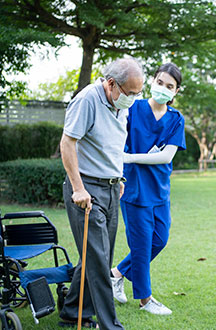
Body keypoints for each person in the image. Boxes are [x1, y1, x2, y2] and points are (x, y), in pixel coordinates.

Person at [59, 57, 144, 329]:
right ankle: (111, 326)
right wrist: (78, 188)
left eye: (137, 93)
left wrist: (117, 177)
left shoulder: (121, 104)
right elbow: (67, 142)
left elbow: (112, 145)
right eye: (130, 93)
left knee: (98, 257)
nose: (133, 99)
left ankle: (72, 312)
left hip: (110, 187)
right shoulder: (87, 100)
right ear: (111, 84)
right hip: (87, 190)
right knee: (98, 262)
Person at [111, 63, 186, 315]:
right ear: (153, 81)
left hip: (160, 191)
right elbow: (116, 140)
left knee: (159, 240)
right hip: (133, 190)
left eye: (170, 86)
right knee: (142, 245)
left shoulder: (176, 119)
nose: (163, 88)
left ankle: (116, 274)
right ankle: (145, 300)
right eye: (160, 82)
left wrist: (130, 158)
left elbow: (166, 157)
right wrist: (120, 169)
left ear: (176, 92)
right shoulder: (133, 109)